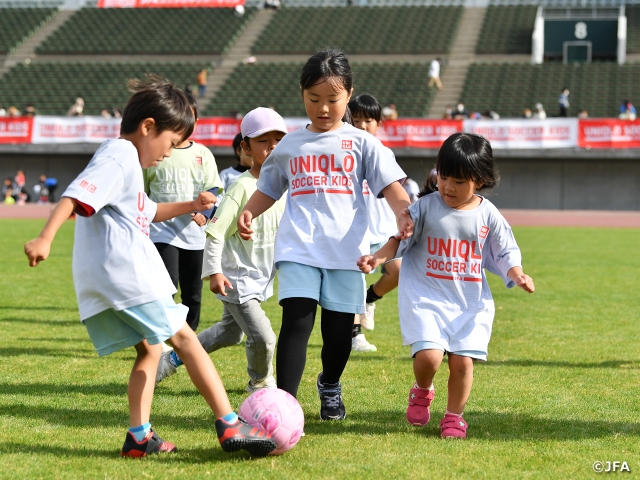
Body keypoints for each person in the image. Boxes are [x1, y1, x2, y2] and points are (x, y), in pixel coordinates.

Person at [24, 75, 276, 458]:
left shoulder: (123, 163)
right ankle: (230, 425)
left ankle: (139, 436)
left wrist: (192, 204)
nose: (168, 153)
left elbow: (149, 211)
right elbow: (75, 195)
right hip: (129, 273)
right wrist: (45, 237)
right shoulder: (120, 155)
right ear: (147, 127)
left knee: (149, 350)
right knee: (187, 340)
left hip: (106, 279)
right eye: (170, 143)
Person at [237, 49, 413, 421]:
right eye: (314, 99)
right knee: (296, 322)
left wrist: (404, 214)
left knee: (337, 335)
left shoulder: (363, 143)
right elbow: (269, 187)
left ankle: (330, 384)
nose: (323, 108)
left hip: (347, 253)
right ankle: (284, 406)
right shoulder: (290, 145)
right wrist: (249, 211)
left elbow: (393, 186)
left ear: (348, 95)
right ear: (302, 94)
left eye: (332, 100)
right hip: (299, 247)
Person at [357, 132, 535, 439]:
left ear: (479, 180)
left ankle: (454, 417)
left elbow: (505, 250)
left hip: (469, 303)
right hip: (427, 298)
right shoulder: (425, 207)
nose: (449, 187)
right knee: (429, 357)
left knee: (463, 363)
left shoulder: (488, 214)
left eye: (460, 181)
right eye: (445, 177)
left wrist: (516, 273)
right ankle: (423, 390)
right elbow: (398, 240)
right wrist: (376, 258)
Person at [155, 107, 287, 392]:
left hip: (260, 278)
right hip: (236, 280)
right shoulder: (241, 188)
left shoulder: (284, 187)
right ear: (245, 147)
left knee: (230, 333)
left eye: (278, 139)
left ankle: (172, 358)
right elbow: (214, 232)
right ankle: (261, 384)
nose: (272, 146)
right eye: (263, 140)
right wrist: (214, 272)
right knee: (264, 337)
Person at [143, 91, 223, 332]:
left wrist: (205, 214)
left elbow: (212, 191)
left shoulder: (203, 154)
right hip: (161, 231)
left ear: (196, 122)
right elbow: (144, 192)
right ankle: (164, 338)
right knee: (166, 288)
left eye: (191, 119)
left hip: (193, 235)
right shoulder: (157, 153)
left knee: (193, 295)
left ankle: (187, 342)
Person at [348, 93, 402, 351]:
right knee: (355, 282)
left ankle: (372, 298)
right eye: (355, 120)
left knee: (399, 271)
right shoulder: (344, 154)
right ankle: (355, 334)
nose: (361, 125)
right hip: (358, 232)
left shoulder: (384, 153)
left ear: (379, 124)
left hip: (385, 230)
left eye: (368, 120)